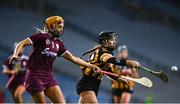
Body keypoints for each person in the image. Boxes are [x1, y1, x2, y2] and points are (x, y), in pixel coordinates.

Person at [9, 16, 100, 103]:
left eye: (62, 27)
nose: (61, 29)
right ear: (51, 26)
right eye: (59, 27)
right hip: (34, 76)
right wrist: (15, 54)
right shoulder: (41, 36)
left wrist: (90, 65)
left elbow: (73, 58)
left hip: (48, 76)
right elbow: (21, 43)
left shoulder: (59, 43)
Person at [76, 31, 140, 103]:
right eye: (112, 39)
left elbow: (108, 71)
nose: (114, 42)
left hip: (94, 84)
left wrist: (118, 78)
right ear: (104, 42)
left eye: (115, 40)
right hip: (87, 84)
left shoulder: (103, 52)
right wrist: (129, 62)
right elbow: (115, 60)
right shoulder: (103, 54)